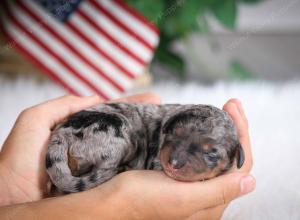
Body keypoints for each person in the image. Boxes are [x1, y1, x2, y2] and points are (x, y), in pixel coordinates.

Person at [0, 93, 255, 220]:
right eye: (174, 136)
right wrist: (117, 205)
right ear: (167, 126)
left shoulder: (228, 152)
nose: (175, 160)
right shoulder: (155, 129)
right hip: (95, 131)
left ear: (236, 156)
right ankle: (78, 183)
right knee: (119, 135)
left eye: (209, 153)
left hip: (89, 141)